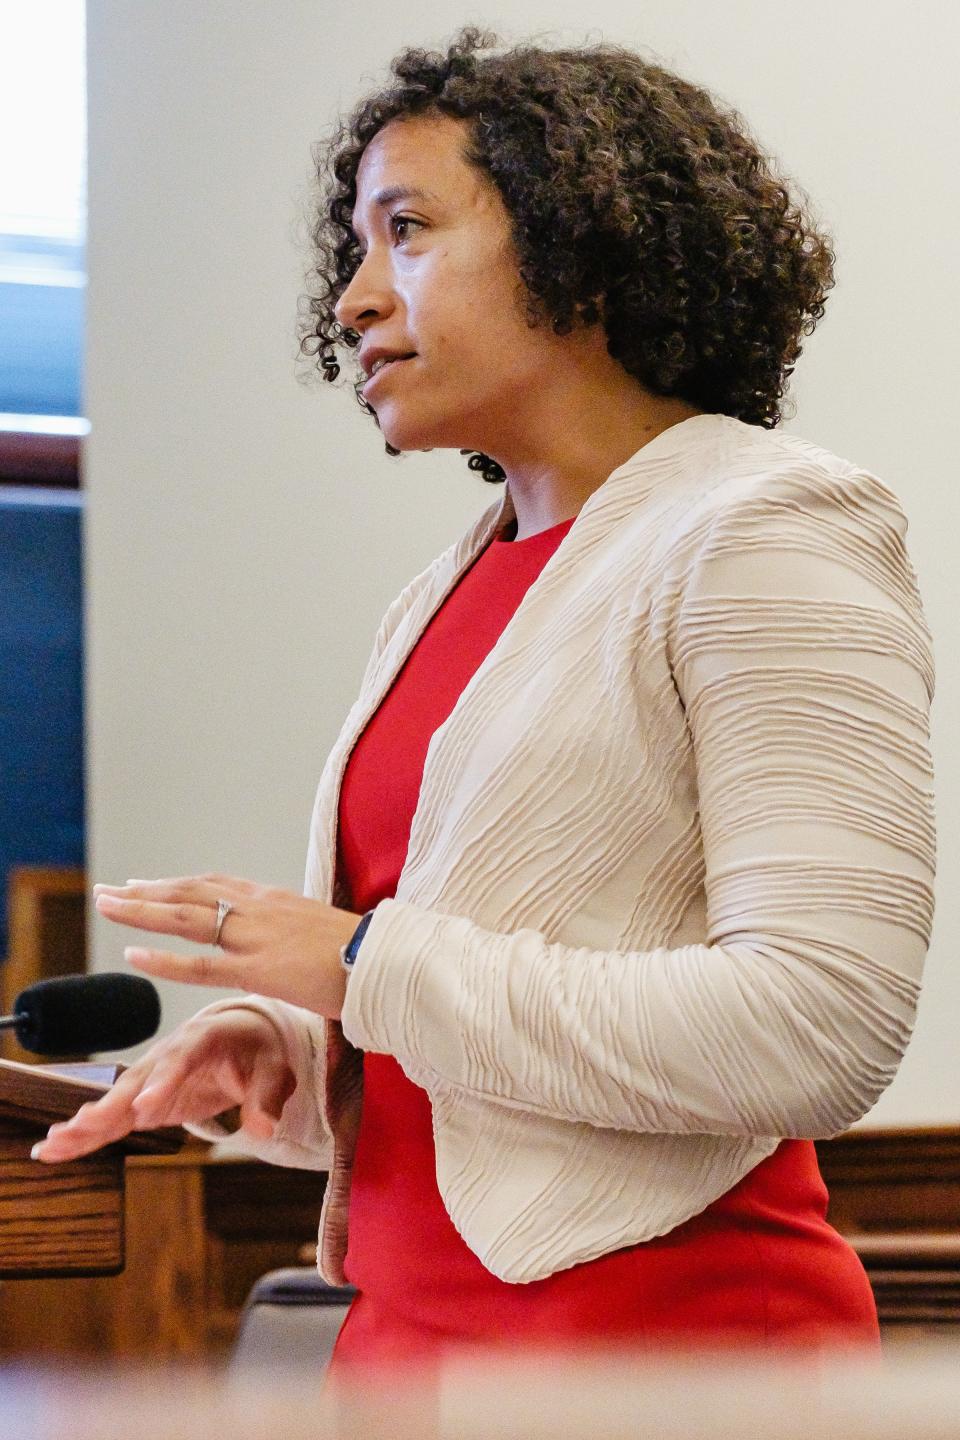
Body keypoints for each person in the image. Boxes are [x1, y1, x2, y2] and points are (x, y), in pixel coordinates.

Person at [35, 29, 935, 1375]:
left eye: (405, 230)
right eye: (354, 245)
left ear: (583, 245)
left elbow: (815, 1023)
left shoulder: (769, 526)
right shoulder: (450, 586)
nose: (350, 299)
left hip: (667, 1362)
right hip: (403, 1347)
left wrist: (353, 969)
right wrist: (293, 1048)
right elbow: (468, 981)